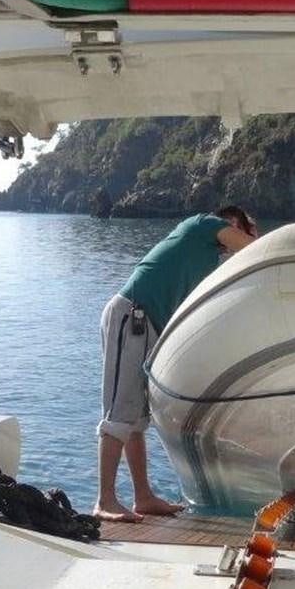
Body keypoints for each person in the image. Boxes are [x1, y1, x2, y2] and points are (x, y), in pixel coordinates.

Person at [94, 206, 258, 522]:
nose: (240, 234)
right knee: (118, 413)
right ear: (230, 222)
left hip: (150, 325)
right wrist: (259, 239)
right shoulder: (202, 224)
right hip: (132, 314)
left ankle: (142, 497)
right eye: (242, 227)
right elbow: (253, 251)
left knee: (137, 419)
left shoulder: (210, 262)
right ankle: (104, 500)